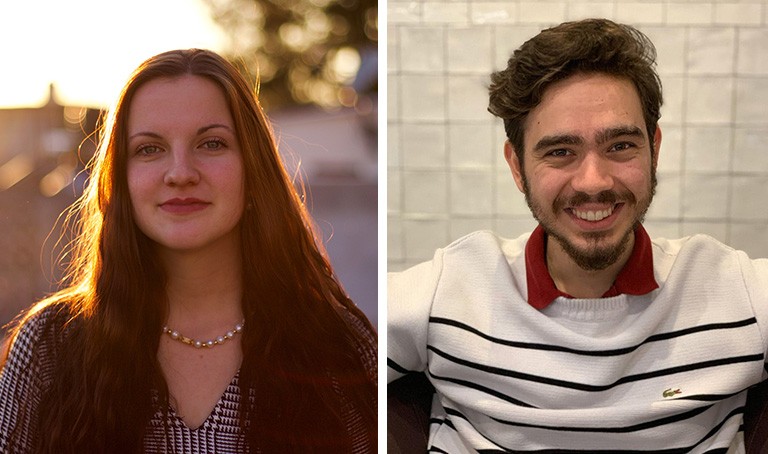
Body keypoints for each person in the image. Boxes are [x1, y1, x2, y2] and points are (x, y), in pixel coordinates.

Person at [387, 18, 768, 452]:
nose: (593, 181)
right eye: (560, 151)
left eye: (620, 145)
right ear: (516, 166)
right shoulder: (447, 290)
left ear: (654, 149)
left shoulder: (737, 291)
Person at [0, 48, 377, 453]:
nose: (180, 173)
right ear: (121, 180)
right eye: (149, 149)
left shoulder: (336, 347)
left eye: (211, 144)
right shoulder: (51, 346)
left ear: (253, 167)